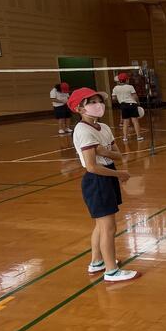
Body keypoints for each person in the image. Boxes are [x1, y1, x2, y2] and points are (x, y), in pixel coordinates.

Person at [68, 87, 138, 283]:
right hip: (97, 180)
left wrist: (104, 152)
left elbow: (118, 154)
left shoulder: (104, 127)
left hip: (107, 175)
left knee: (101, 226)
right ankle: (111, 271)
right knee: (108, 228)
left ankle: (97, 262)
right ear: (79, 109)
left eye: (99, 101)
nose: (98, 105)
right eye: (91, 102)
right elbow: (92, 166)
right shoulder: (83, 130)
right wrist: (119, 174)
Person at [111, 72, 144, 142]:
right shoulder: (130, 87)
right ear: (127, 80)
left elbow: (113, 98)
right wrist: (138, 103)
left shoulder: (115, 88)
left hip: (123, 105)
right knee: (135, 121)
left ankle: (125, 138)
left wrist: (120, 98)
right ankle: (139, 137)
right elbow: (135, 96)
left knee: (125, 122)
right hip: (132, 105)